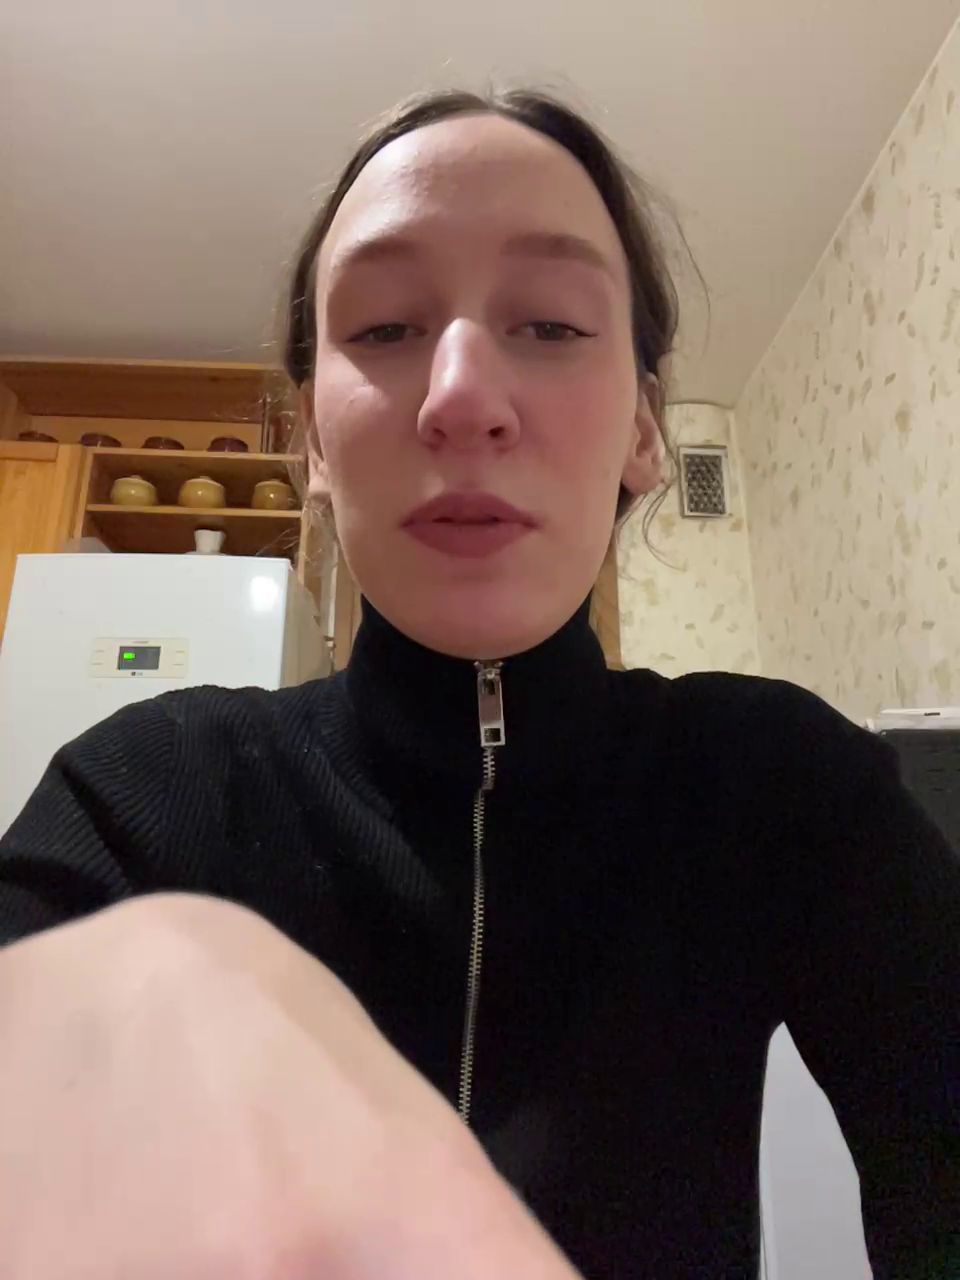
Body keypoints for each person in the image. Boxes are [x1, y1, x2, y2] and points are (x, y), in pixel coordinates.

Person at [0, 87, 957, 1280]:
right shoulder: (141, 788)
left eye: (550, 324)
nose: (459, 397)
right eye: (384, 327)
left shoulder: (785, 785)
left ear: (644, 429)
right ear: (310, 440)